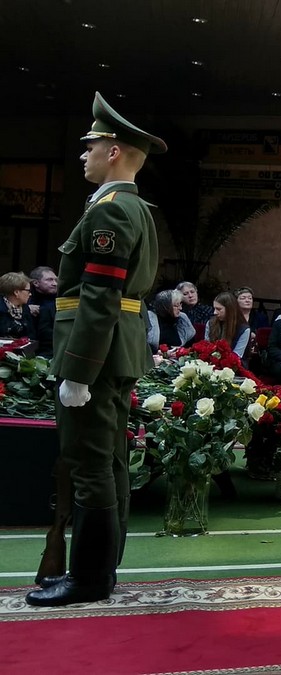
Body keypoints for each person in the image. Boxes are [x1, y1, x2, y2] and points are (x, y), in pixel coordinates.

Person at [27, 92, 166, 607]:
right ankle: (100, 571)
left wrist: (79, 371)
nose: (83, 154)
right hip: (116, 349)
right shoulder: (130, 207)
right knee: (108, 460)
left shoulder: (111, 212)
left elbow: (100, 296)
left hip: (97, 354)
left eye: (90, 146)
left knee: (89, 462)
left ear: (113, 152)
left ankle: (88, 577)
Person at [205, 291, 251, 363]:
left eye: (219, 309)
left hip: (233, 365)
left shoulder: (244, 329)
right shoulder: (210, 323)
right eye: (214, 308)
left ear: (229, 309)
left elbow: (236, 356)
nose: (215, 312)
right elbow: (206, 347)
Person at [28, 266, 58, 356]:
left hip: (53, 348)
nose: (55, 283)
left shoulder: (60, 299)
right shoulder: (25, 299)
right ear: (36, 283)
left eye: (56, 280)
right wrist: (26, 309)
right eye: (49, 280)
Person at [0, 272, 36, 340]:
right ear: (16, 292)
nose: (30, 294)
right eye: (28, 291)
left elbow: (31, 335)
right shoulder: (1, 309)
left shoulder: (25, 308)